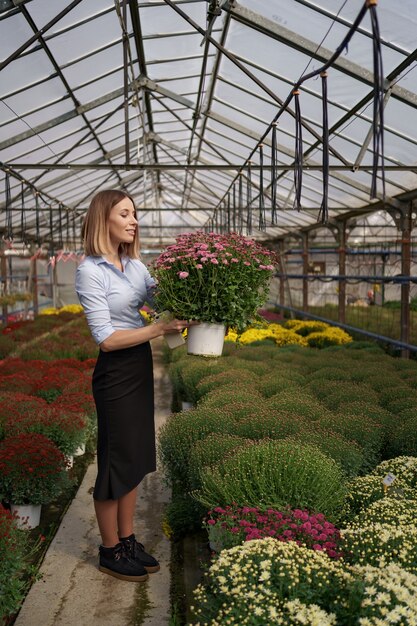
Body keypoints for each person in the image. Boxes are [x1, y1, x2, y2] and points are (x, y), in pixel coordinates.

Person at [76, 189, 194, 582]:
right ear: (102, 218)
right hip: (114, 370)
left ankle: (127, 539)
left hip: (139, 366)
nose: (134, 220)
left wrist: (194, 291)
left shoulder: (136, 267)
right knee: (115, 459)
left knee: (137, 456)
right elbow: (106, 338)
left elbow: (162, 301)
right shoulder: (90, 270)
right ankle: (109, 549)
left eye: (135, 214)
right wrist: (158, 328)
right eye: (125, 213)